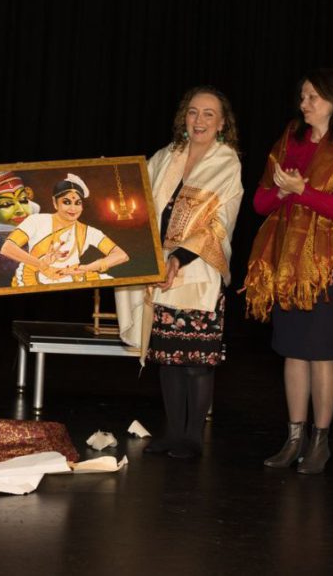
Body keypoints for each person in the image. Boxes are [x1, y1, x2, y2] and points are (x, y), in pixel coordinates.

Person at [243, 69, 333, 474]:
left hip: (331, 261)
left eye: (313, 97)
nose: (304, 104)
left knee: (322, 353)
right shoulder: (291, 140)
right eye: (302, 96)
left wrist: (304, 192)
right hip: (288, 260)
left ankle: (320, 441)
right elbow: (260, 204)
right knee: (292, 350)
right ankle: (293, 437)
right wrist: (283, 191)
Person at [115, 86, 244, 459]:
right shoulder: (165, 156)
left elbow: (218, 225)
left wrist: (179, 258)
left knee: (196, 363)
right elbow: (138, 201)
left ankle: (191, 438)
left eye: (208, 114)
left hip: (199, 269)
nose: (199, 120)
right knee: (169, 358)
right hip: (160, 267)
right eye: (192, 112)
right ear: (183, 118)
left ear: (222, 123)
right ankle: (173, 432)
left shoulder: (227, 162)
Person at [0, 174, 129, 286]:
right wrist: (41, 264)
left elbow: (121, 255)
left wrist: (87, 268)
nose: (73, 209)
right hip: (36, 275)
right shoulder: (36, 221)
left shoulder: (88, 231)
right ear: (55, 203)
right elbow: (7, 248)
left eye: (77, 203)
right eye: (66, 202)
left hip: (71, 276)